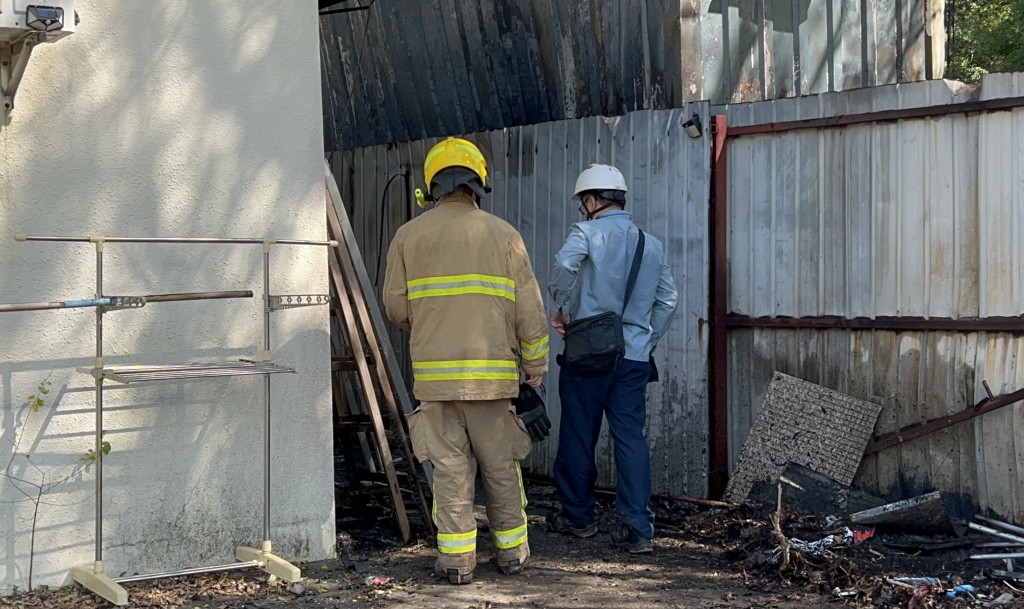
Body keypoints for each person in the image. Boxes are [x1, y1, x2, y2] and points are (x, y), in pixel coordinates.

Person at [383, 137, 550, 585]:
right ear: (478, 184)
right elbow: (530, 313)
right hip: (493, 385)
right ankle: (512, 553)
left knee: (451, 474)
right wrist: (534, 369)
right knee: (500, 469)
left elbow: (396, 308)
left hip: (436, 386)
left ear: (431, 185)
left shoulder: (408, 237)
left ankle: (457, 562)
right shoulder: (504, 236)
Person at [546, 163, 678, 554]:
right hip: (634, 360)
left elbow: (563, 266)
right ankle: (638, 529)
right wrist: (644, 339)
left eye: (582, 201)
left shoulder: (585, 233)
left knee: (577, 435)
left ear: (590, 199)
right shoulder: (649, 244)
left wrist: (563, 306)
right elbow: (668, 301)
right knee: (630, 439)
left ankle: (578, 518)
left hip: (587, 354)